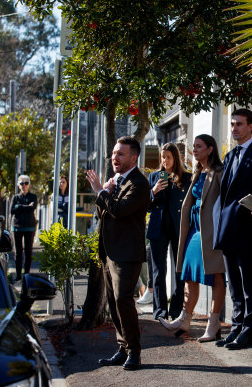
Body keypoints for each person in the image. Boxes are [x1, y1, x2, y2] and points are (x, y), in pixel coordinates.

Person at [86, 136, 150, 371]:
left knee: (124, 300)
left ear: (133, 157)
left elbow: (119, 211)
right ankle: (123, 348)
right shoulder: (117, 181)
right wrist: (106, 191)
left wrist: (100, 191)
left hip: (127, 253)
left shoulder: (139, 183)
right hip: (109, 251)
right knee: (113, 302)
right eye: (114, 153)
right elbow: (104, 214)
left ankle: (134, 351)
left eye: (120, 154)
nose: (115, 157)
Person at [213, 108, 252, 350]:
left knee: (249, 283)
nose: (234, 128)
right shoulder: (229, 156)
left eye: (239, 124)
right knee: (233, 283)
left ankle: (248, 331)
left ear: (251, 127)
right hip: (227, 228)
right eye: (233, 124)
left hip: (248, 228)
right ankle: (236, 327)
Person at [158, 134, 226, 343]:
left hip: (211, 230)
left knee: (216, 276)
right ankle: (184, 319)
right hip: (194, 230)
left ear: (210, 149)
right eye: (193, 146)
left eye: (199, 147)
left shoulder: (219, 172)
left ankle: (213, 324)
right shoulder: (198, 171)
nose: (194, 150)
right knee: (189, 275)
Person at [146, 143, 191, 319]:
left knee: (179, 271)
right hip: (158, 228)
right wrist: (153, 191)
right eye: (162, 157)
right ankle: (160, 311)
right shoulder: (154, 177)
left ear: (175, 158)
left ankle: (176, 310)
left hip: (178, 227)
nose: (165, 161)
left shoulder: (185, 177)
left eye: (168, 157)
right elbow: (146, 207)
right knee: (159, 271)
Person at [10, 175, 38, 281]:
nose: (24, 185)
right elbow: (12, 210)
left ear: (29, 185)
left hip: (29, 227)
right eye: (21, 183)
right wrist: (26, 207)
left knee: (28, 251)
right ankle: (18, 275)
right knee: (18, 252)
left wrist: (19, 207)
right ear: (18, 185)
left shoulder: (33, 196)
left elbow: (32, 208)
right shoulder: (15, 197)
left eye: (26, 183)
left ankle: (27, 274)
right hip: (17, 227)